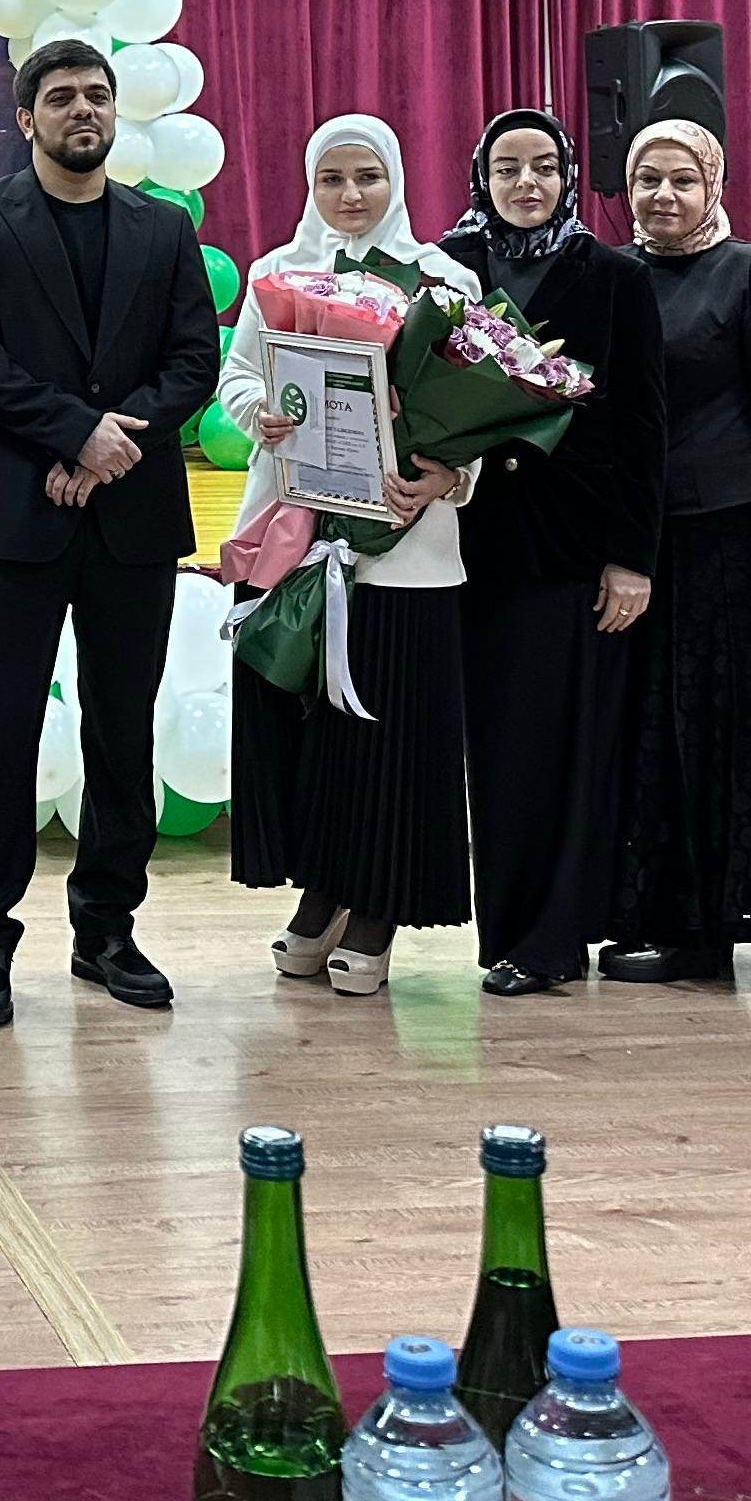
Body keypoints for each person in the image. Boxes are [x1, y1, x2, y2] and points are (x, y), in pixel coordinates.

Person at [0, 41, 220, 1027]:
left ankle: (107, 931)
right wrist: (72, 433)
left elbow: (193, 362)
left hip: (131, 522)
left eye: (97, 95)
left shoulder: (163, 227)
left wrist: (106, 447)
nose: (83, 110)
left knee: (122, 732)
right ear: (27, 119)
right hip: (12, 521)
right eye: (61, 98)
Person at [226, 114, 472, 1001]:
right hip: (299, 540)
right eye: (332, 179)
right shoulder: (278, 275)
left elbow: (479, 406)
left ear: (396, 179)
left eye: (368, 175)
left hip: (405, 548)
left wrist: (451, 475)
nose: (351, 194)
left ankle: (378, 906)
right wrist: (261, 415)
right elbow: (238, 375)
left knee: (390, 734)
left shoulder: (444, 280)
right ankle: (322, 887)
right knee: (312, 735)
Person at [603, 119, 751, 983]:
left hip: (729, 532)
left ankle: (713, 928)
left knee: (716, 729)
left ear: (714, 186)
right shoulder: (612, 274)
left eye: (683, 179)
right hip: (635, 537)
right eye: (647, 180)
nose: (663, 195)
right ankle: (661, 915)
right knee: (647, 730)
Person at [439, 108, 665, 997]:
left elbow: (641, 426)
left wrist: (632, 557)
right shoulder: (446, 271)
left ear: (569, 176)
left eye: (543, 166)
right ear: (481, 177)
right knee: (495, 755)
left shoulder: (612, 276)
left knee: (562, 749)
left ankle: (551, 942)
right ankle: (505, 934)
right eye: (507, 167)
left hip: (571, 549)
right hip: (462, 543)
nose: (525, 183)